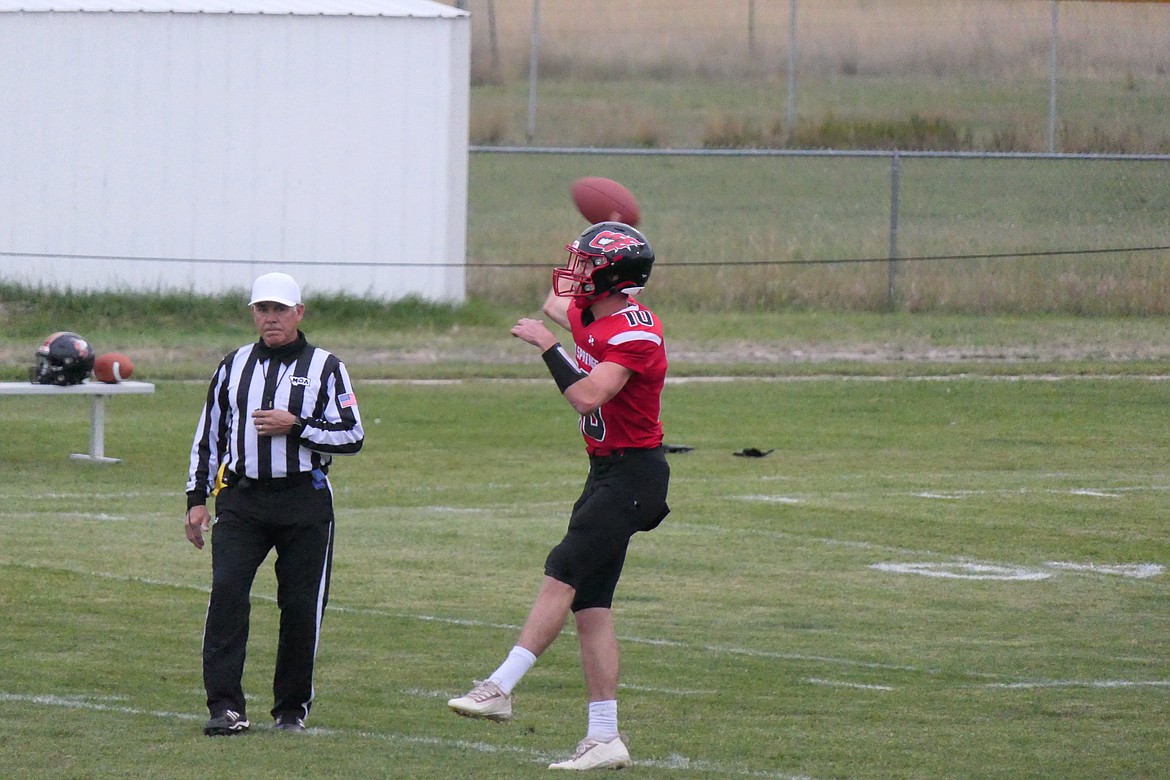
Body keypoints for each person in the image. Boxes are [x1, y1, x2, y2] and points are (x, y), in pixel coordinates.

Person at [448, 222, 670, 771]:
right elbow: (558, 299)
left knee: (562, 569)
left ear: (615, 279)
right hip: (605, 473)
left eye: (587, 266)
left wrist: (550, 350)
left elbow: (588, 395)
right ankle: (604, 737)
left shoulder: (636, 332)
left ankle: (501, 685)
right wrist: (600, 231)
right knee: (591, 606)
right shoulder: (592, 310)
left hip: (635, 477)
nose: (575, 273)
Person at [184, 272, 364, 736]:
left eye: (280, 310)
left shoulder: (326, 366)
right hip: (241, 501)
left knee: (302, 607)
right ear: (253, 314)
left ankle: (290, 708)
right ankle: (225, 707)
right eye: (262, 309)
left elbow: (352, 435)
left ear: (298, 313)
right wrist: (196, 499)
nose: (271, 318)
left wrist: (296, 425)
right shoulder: (233, 365)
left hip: (304, 501)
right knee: (226, 596)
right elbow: (210, 435)